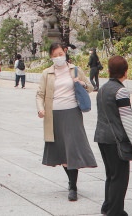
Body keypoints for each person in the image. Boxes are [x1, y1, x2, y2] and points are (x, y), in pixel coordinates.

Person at [37, 42, 97, 202]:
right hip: (54, 114)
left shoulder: (75, 69)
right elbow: (40, 94)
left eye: (60, 54)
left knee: (72, 148)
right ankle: (71, 182)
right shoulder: (46, 73)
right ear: (51, 57)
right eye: (54, 55)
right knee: (62, 150)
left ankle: (73, 185)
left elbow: (90, 87)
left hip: (72, 113)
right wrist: (40, 108)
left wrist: (81, 82)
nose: (58, 58)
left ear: (65, 52)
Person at [94, 55, 132, 216]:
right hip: (116, 139)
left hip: (101, 137)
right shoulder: (121, 91)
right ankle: (115, 211)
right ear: (126, 72)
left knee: (111, 174)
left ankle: (107, 206)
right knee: (120, 177)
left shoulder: (102, 89)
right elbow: (127, 119)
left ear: (108, 71)